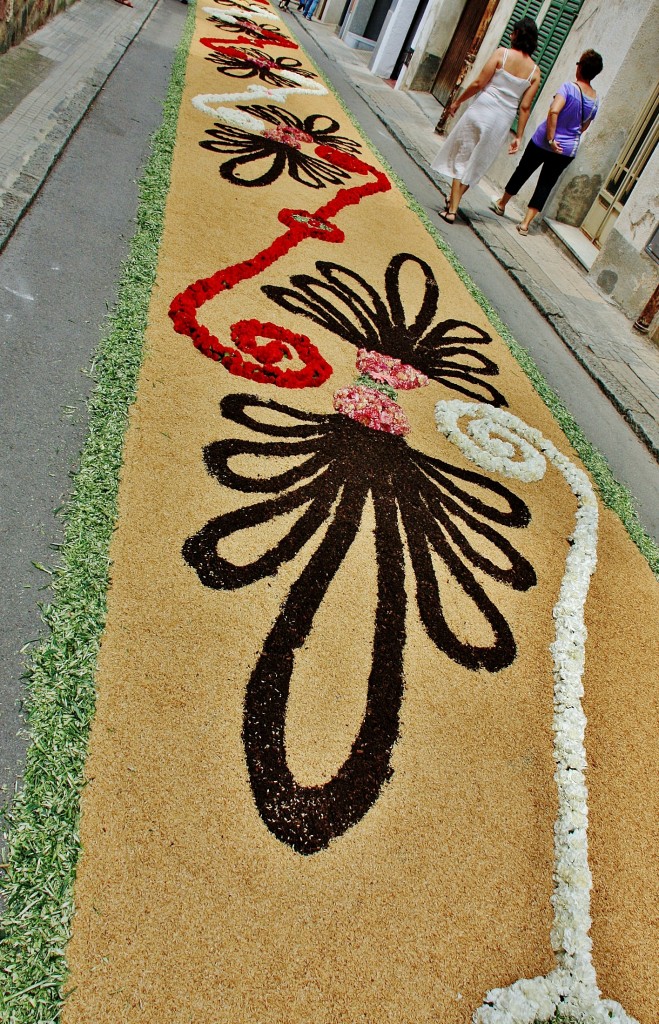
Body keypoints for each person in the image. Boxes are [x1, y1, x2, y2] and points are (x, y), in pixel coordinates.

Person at [432, 17, 540, 224]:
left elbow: (480, 82)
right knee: (479, 162)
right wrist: (519, 136)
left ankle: (452, 210)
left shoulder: (502, 54)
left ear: (517, 35)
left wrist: (457, 102)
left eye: (513, 32)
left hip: (483, 109)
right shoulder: (535, 72)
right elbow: (525, 107)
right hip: (503, 118)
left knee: (463, 156)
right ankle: (453, 200)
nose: (510, 35)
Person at [492, 49, 603, 234]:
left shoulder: (568, 88)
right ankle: (525, 224)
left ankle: (502, 204)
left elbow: (553, 111)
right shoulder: (595, 100)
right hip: (566, 150)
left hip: (544, 141)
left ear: (580, 68)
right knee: (546, 184)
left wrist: (552, 138)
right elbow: (584, 127)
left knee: (524, 170)